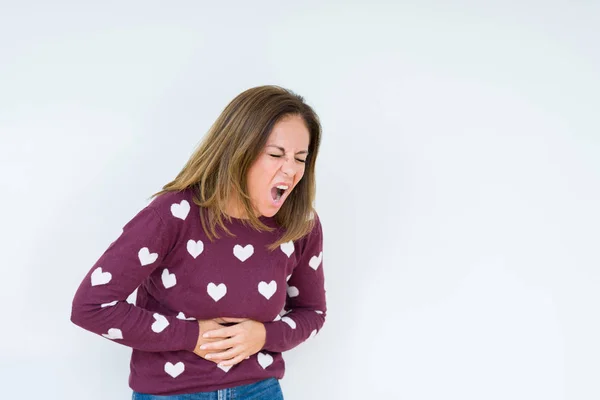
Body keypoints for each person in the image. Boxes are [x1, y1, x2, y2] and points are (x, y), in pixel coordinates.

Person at [70, 85, 327, 399]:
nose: (290, 169)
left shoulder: (301, 225)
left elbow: (312, 312)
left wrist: (263, 335)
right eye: (276, 154)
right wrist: (193, 335)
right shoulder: (173, 215)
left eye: (300, 158)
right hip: (171, 393)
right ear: (238, 149)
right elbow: (92, 307)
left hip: (260, 390)